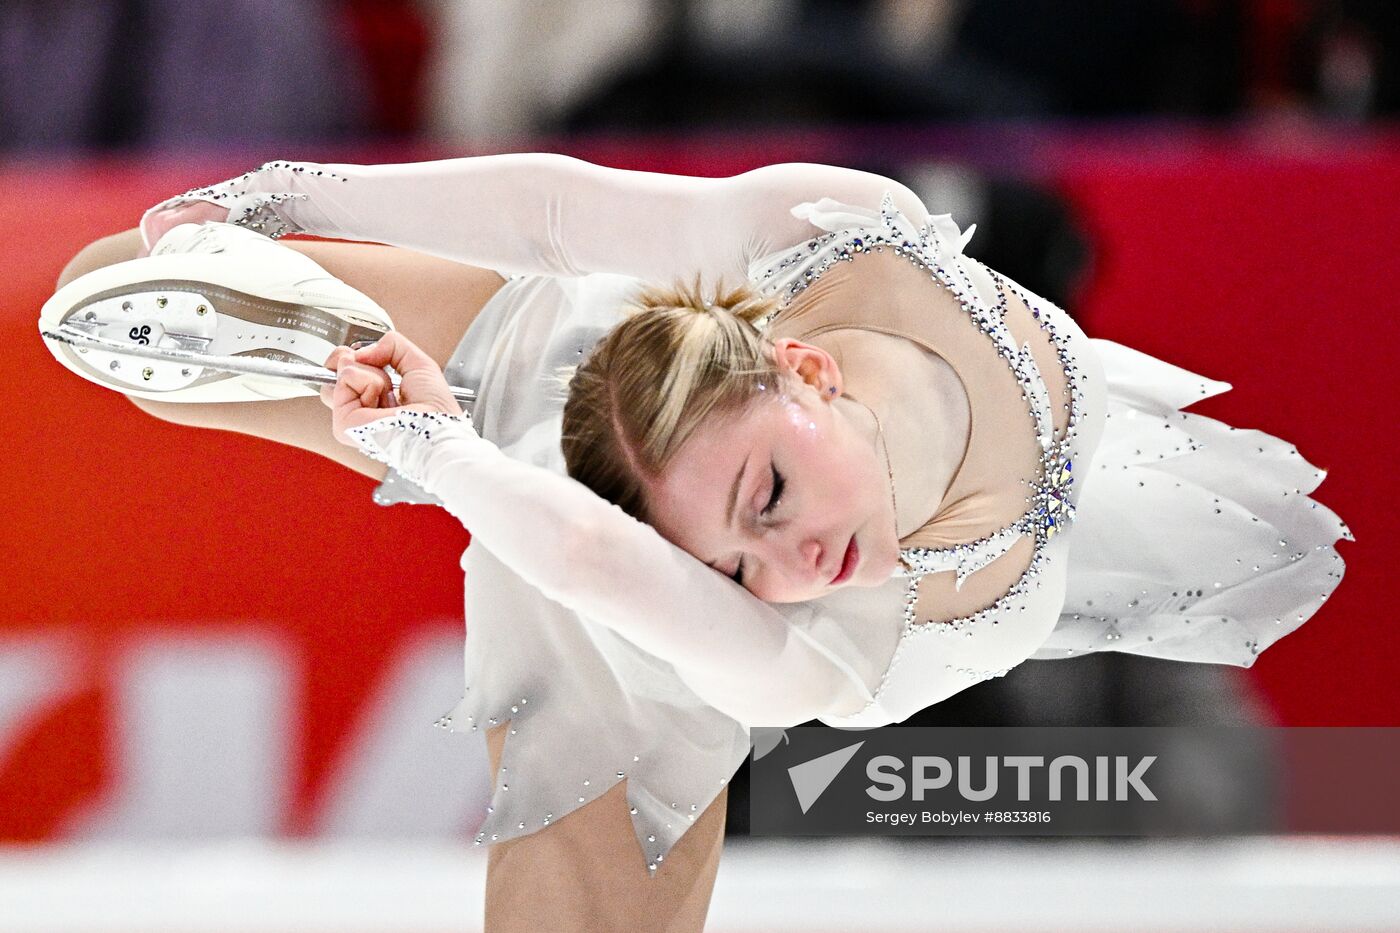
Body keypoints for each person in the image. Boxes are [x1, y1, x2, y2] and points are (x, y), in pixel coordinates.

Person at [43, 154, 1353, 931]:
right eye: (759, 510)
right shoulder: (842, 237)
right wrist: (296, 191)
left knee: (629, 678)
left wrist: (438, 452)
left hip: (637, 569)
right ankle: (407, 367)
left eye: (769, 506)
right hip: (613, 390)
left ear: (808, 375)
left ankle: (424, 390)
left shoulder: (865, 620)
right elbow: (560, 210)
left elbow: (610, 566)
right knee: (114, 280)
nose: (793, 557)